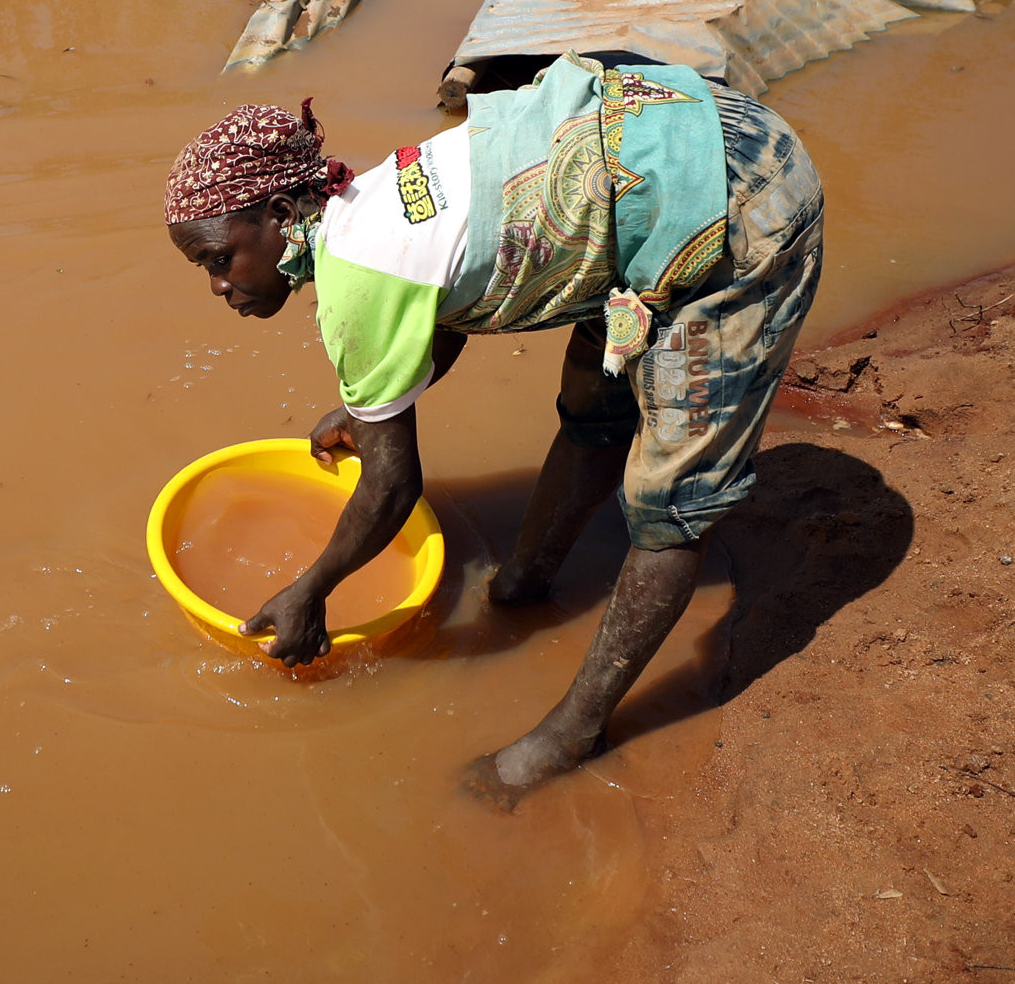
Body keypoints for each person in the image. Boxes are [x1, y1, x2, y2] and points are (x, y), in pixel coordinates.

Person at [163, 55, 826, 801]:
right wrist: (363, 409)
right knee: (596, 403)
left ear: (280, 217)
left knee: (670, 507)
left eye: (220, 258)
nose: (219, 284)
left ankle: (573, 731)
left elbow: (390, 488)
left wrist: (312, 589)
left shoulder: (355, 283)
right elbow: (446, 307)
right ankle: (525, 582)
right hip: (661, 140)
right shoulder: (365, 198)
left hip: (735, 203)